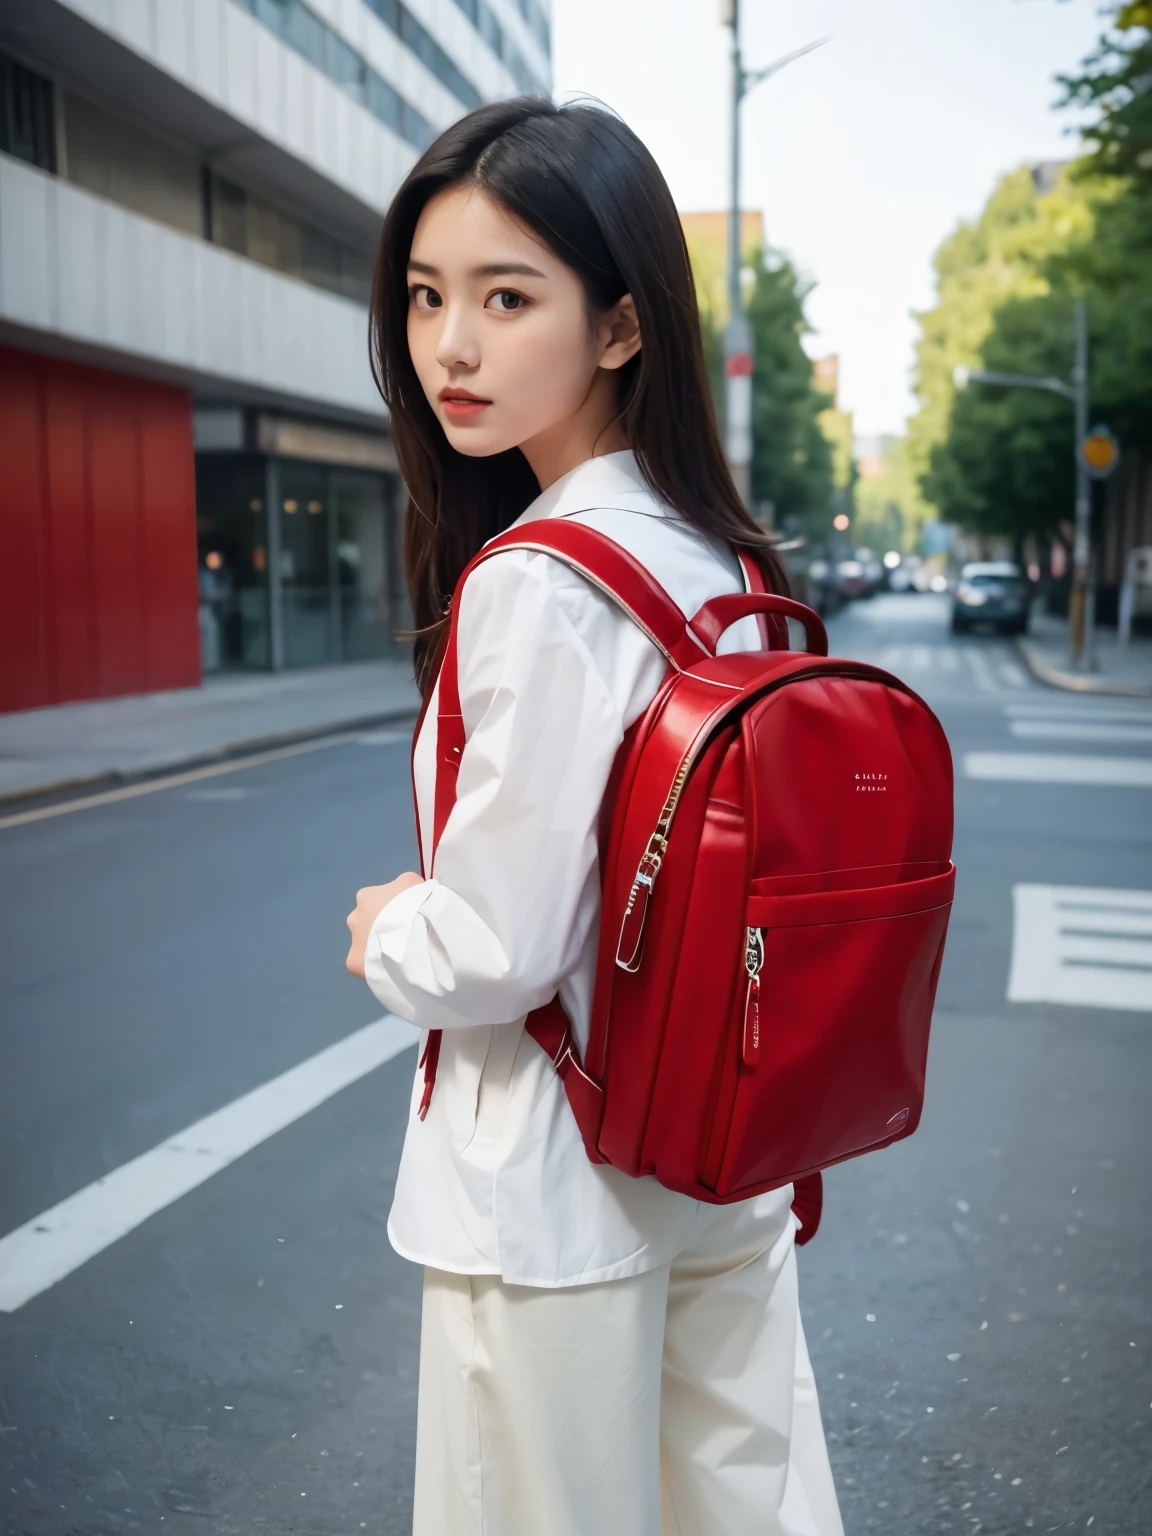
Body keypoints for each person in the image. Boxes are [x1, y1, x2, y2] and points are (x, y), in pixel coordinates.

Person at [344, 97, 843, 1536]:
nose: (451, 345)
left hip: (556, 1183)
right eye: (429, 296)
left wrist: (389, 928)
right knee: (740, 1508)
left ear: (621, 328)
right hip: (721, 1150)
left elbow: (497, 948)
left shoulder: (540, 579)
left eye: (508, 298)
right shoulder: (723, 561)